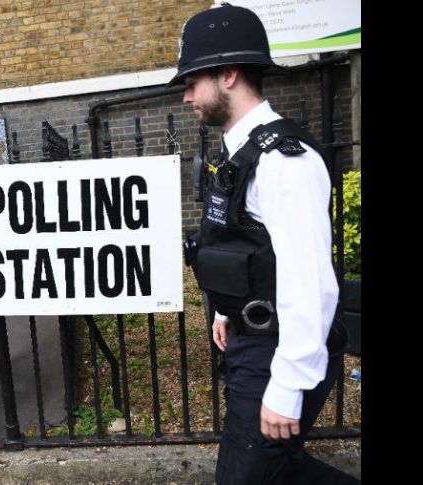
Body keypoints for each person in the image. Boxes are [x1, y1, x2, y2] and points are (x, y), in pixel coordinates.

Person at [173, 4, 359, 484]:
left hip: (276, 350)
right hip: (249, 339)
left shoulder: (285, 163)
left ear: (229, 74)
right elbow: (239, 244)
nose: (187, 95)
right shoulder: (237, 154)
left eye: (193, 81)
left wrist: (288, 385)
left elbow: (310, 281)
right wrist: (226, 310)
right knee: (272, 470)